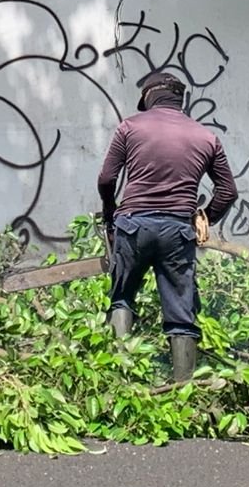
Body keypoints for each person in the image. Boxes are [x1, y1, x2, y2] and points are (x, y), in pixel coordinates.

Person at [96, 70, 238, 382]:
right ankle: (182, 389)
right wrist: (206, 216)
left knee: (122, 297)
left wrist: (111, 215)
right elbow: (228, 191)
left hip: (133, 227)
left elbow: (107, 179)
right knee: (180, 313)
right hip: (177, 230)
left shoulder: (130, 127)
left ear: (148, 98)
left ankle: (120, 380)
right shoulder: (205, 136)